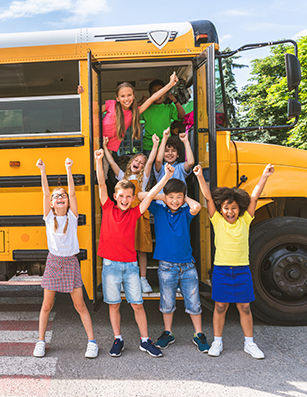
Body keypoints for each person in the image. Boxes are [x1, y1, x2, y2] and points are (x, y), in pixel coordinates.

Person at [95, 148, 175, 358]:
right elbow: (102, 184)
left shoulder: (134, 213)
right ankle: (118, 339)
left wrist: (166, 176)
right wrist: (98, 161)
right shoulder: (107, 208)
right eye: (121, 196)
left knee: (138, 305)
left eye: (128, 197)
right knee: (113, 306)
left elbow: (149, 195)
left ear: (132, 199)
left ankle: (145, 340)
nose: (124, 199)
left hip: (130, 266)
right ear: (115, 196)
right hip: (110, 265)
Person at [193, 163, 275, 359]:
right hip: (222, 270)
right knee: (220, 306)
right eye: (226, 208)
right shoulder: (217, 220)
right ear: (221, 210)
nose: (230, 212)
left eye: (234, 208)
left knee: (245, 307)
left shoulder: (245, 220)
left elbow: (254, 196)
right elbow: (208, 197)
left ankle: (249, 343)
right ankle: (217, 342)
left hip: (241, 270)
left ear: (240, 209)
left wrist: (264, 176)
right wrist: (199, 177)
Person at [33, 158, 98, 359]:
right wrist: (43, 170)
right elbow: (45, 192)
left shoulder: (72, 217)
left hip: (70, 262)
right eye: (56, 196)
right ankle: (41, 341)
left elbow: (72, 192)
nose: (61, 197)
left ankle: (92, 342)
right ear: (51, 203)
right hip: (53, 262)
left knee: (80, 305)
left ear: (67, 201)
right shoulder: (49, 218)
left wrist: (68, 169)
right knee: (46, 305)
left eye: (63, 196)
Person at [138, 178, 210, 353]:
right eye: (172, 197)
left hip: (187, 266)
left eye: (179, 197)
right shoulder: (159, 210)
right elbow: (141, 196)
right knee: (167, 302)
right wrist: (165, 198)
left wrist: (182, 198)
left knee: (194, 302)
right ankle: (168, 332)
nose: (175, 201)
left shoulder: (185, 212)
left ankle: (198, 334)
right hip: (166, 267)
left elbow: (197, 207)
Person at [78, 72, 178, 177]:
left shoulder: (134, 113)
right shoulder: (111, 105)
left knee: (102, 175)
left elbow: (152, 98)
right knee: (88, 172)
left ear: (134, 96)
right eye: (122, 96)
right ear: (117, 98)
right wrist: (83, 95)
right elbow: (91, 110)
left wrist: (170, 84)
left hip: (108, 149)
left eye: (129, 95)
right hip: (93, 143)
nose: (126, 99)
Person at [102, 133, 160, 293]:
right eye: (136, 160)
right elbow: (112, 162)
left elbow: (150, 162)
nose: (139, 163)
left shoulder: (144, 178)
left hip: (139, 216)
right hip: (125, 217)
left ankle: (142, 279)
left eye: (141, 163)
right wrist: (106, 148)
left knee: (141, 249)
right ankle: (123, 279)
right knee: (126, 248)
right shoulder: (123, 176)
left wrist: (155, 146)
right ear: (131, 162)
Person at [140, 78, 186, 158]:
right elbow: (133, 115)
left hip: (166, 145)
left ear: (164, 93)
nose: (158, 93)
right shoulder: (146, 108)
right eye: (154, 92)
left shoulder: (169, 107)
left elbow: (182, 116)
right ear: (151, 95)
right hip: (149, 146)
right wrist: (141, 102)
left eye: (160, 90)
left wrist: (175, 101)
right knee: (149, 170)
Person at [154, 127, 194, 194]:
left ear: (178, 154)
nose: (170, 153)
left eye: (173, 151)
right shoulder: (160, 168)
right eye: (166, 151)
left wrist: (185, 141)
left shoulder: (180, 167)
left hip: (179, 203)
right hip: (162, 203)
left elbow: (190, 163)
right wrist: (165, 138)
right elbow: (158, 160)